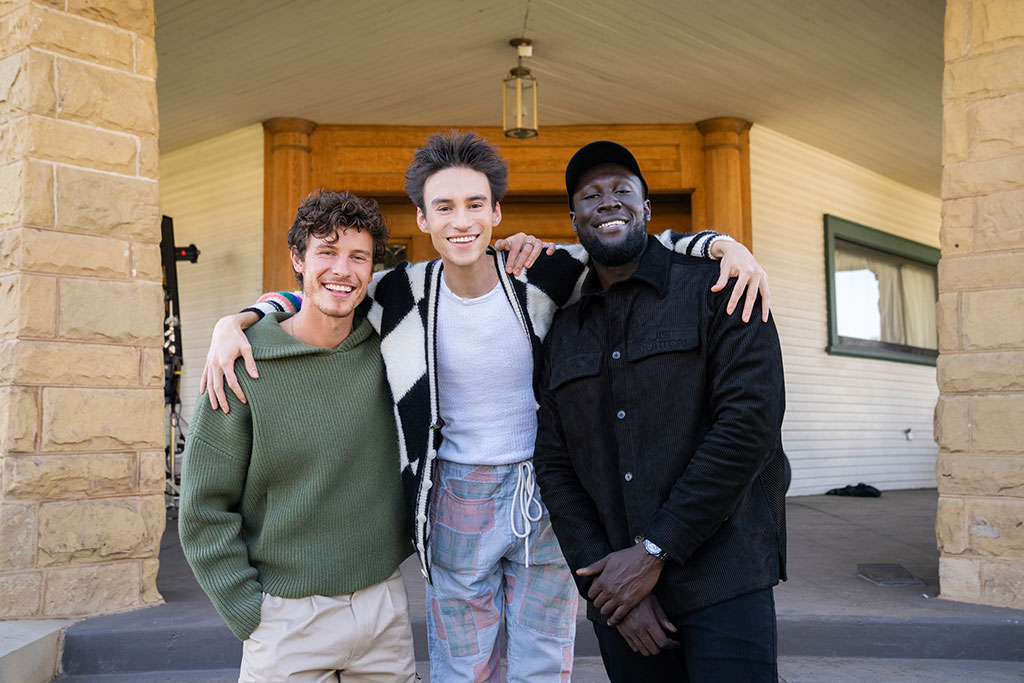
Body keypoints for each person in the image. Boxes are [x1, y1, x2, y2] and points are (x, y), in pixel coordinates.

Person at [200, 131, 771, 681]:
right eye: (443, 207)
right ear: (423, 220)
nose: (461, 220)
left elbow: (628, 242)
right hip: (453, 495)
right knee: (462, 665)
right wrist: (243, 319)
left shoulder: (543, 273)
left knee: (543, 662)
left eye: (475, 204)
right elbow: (323, 291)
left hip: (542, 496)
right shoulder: (400, 292)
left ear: (497, 212)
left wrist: (722, 245)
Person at [533, 141, 787, 682]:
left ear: (647, 209)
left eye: (622, 190)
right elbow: (554, 466)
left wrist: (653, 554)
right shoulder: (564, 330)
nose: (608, 201)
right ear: (574, 218)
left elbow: (750, 426)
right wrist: (607, 587)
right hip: (623, 604)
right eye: (591, 195)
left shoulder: (721, 290)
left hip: (725, 576)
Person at [178, 190, 417, 682]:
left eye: (358, 257)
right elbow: (203, 508)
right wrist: (251, 613)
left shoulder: (392, 348)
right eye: (326, 252)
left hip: (383, 609)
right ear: (298, 260)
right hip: (285, 619)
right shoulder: (242, 363)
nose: (342, 270)